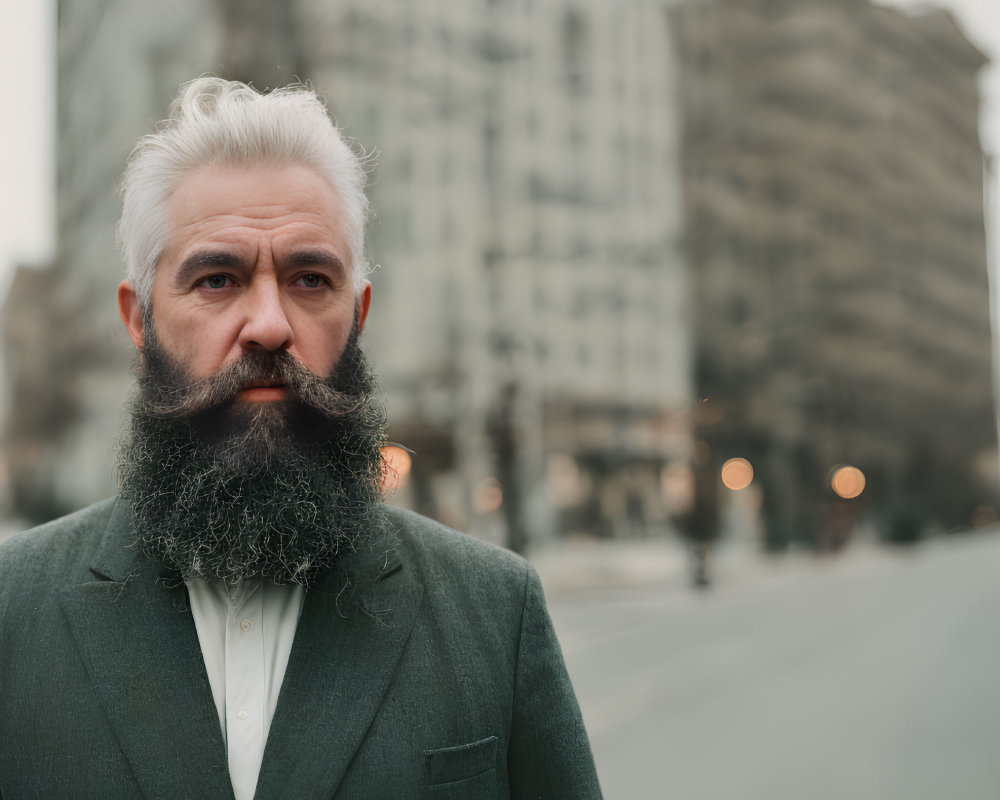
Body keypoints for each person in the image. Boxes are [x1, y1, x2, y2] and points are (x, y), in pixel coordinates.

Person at [0, 77, 602, 800]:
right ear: (140, 323)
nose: (269, 324)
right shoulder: (13, 611)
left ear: (359, 314)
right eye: (218, 279)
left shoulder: (495, 614)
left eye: (310, 279)